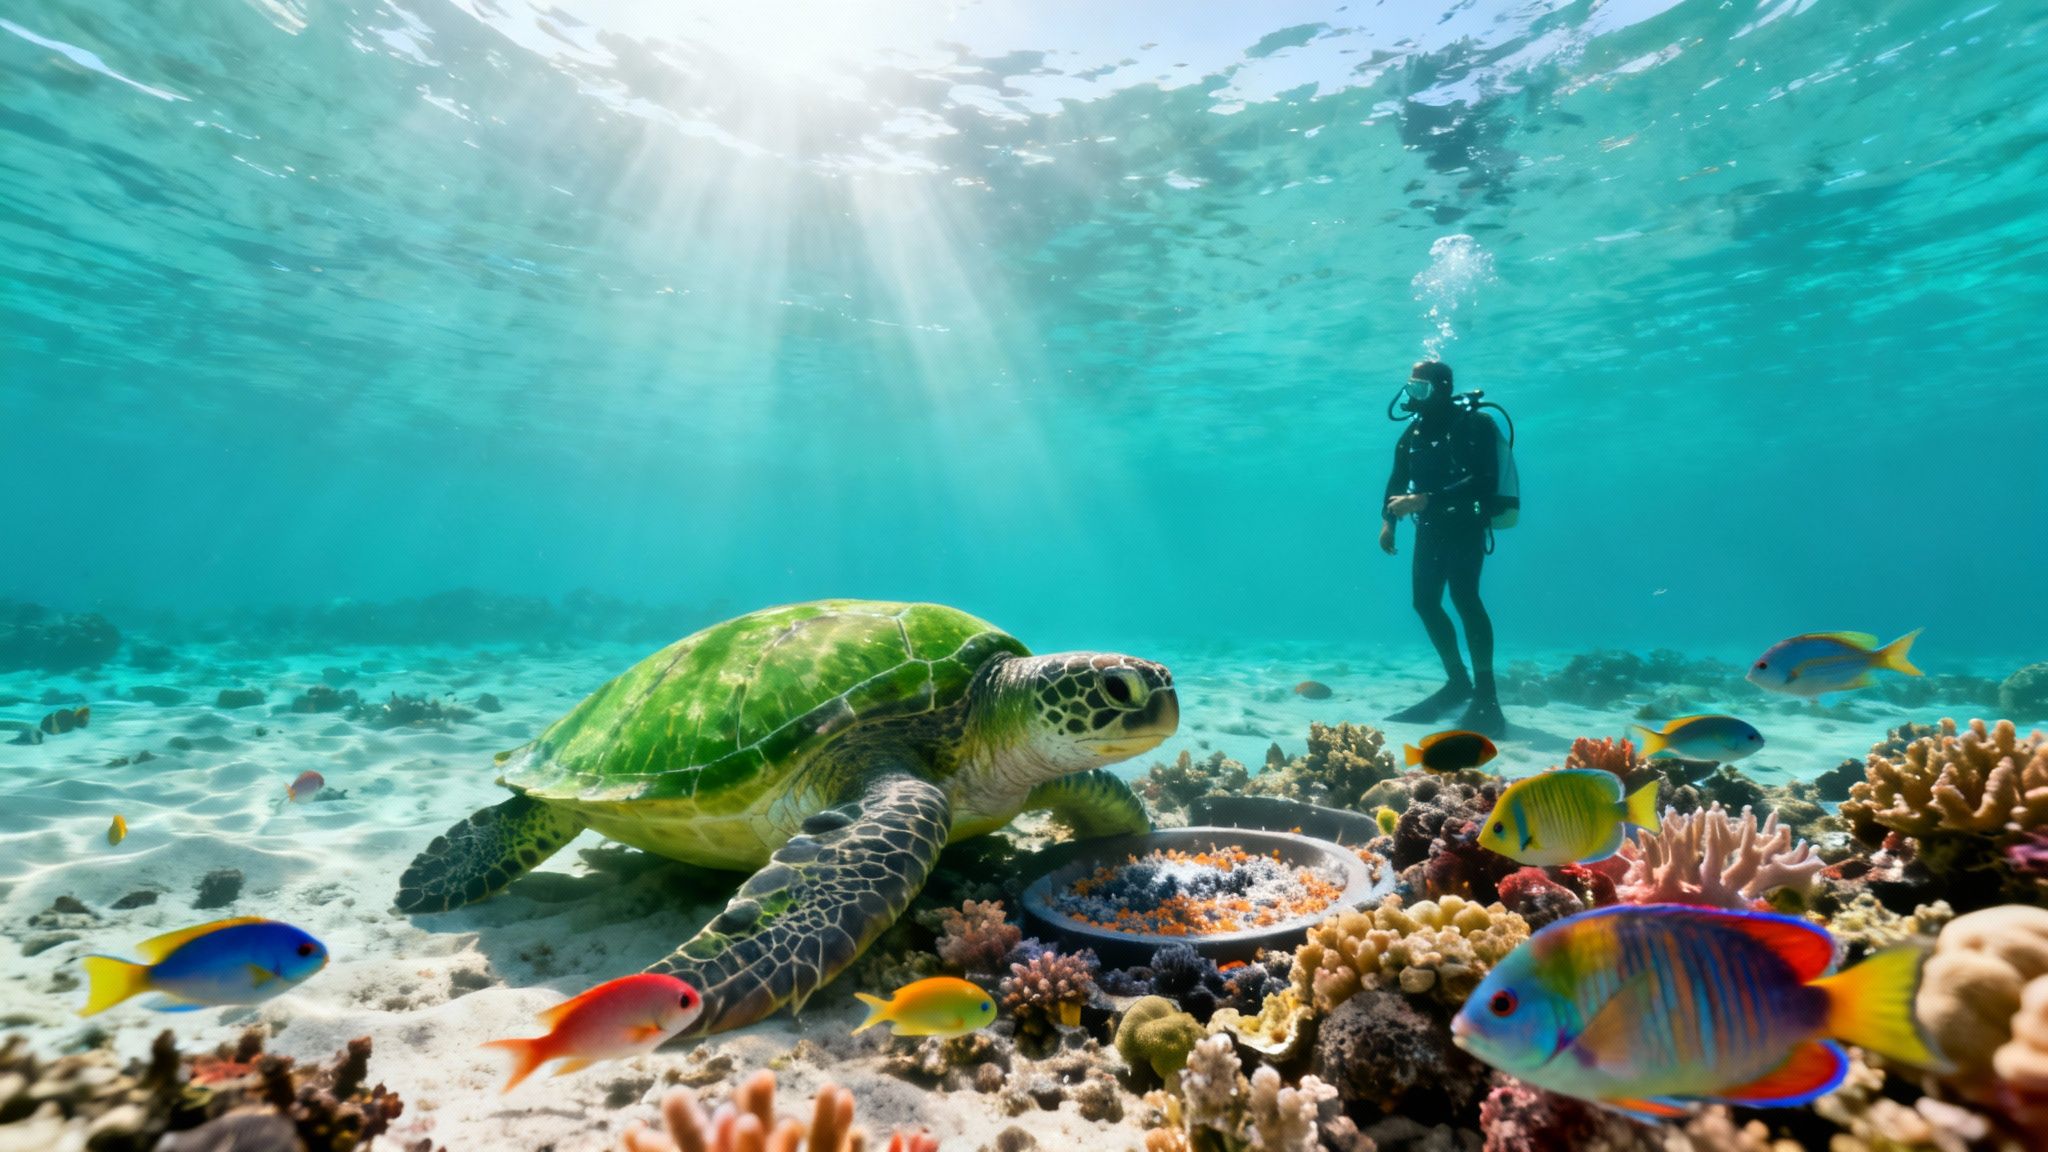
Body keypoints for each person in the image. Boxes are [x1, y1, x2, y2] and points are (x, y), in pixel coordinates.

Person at [1379, 359, 1506, 738]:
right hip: (1431, 529)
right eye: (1410, 387)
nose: (1411, 396)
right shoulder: (1413, 434)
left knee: (1466, 598)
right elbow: (1397, 479)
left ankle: (1487, 694)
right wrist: (1388, 522)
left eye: (1420, 389)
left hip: (1466, 524)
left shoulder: (1475, 426)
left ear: (1443, 388)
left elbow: (1485, 481)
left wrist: (1423, 500)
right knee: (1425, 602)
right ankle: (1458, 683)